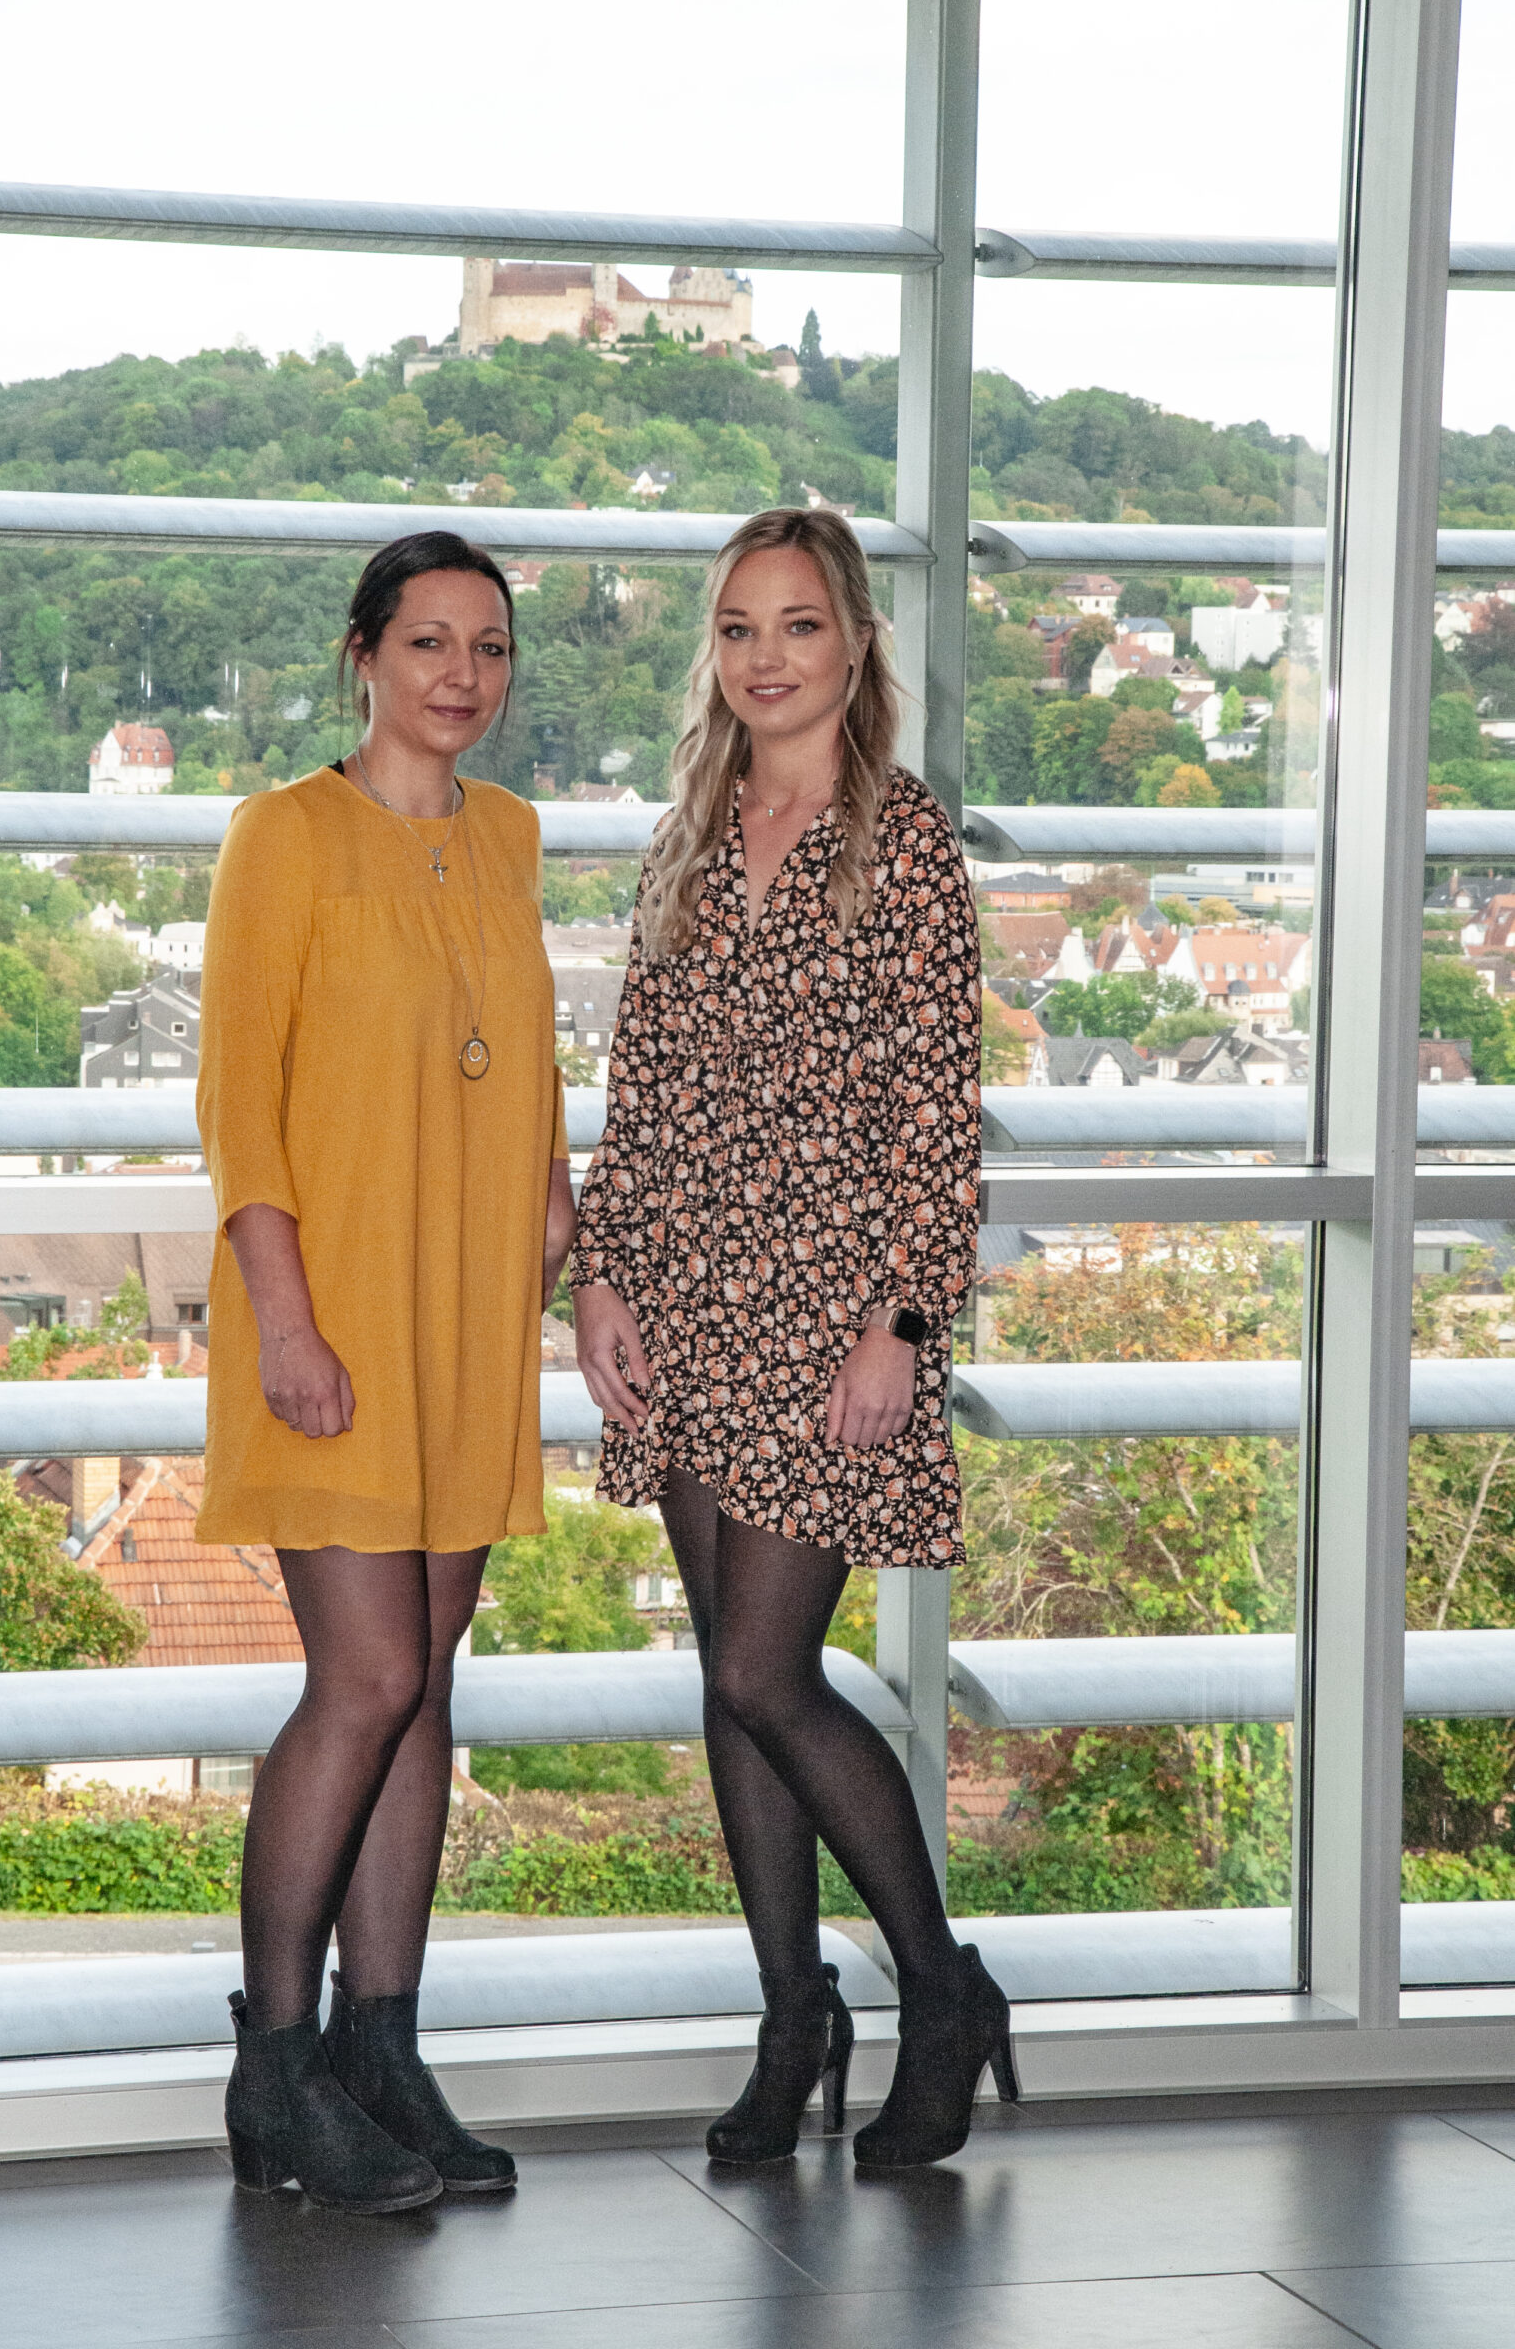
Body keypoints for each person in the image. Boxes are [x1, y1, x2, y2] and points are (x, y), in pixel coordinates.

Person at [570, 506, 1015, 2169]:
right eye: (741, 629)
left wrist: (905, 1321)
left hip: (831, 1310)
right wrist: (600, 1281)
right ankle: (791, 2018)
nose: (768, 658)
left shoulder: (904, 846)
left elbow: (939, 1120)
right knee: (729, 1684)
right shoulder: (687, 835)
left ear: (854, 648)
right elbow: (644, 1095)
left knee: (770, 1669)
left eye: (801, 626)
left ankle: (940, 1989)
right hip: (684, 1297)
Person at [196, 530, 574, 2214]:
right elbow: (239, 1108)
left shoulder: (512, 838)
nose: (460, 676)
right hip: (329, 1324)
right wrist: (283, 1322)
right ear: (364, 656)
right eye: (428, 643)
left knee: (426, 1682)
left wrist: (573, 1250)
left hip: (467, 1321)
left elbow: (537, 1077)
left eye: (487, 649)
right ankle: (273, 2067)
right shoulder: (281, 836)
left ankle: (382, 2047)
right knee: (360, 1682)